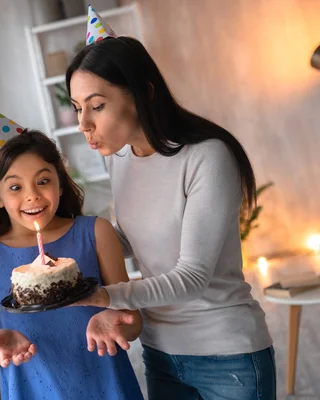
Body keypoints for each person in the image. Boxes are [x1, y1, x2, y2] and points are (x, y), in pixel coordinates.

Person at [66, 6, 276, 400]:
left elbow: (193, 277)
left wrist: (107, 295)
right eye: (78, 108)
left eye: (96, 106)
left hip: (227, 354)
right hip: (160, 351)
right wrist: (68, 254)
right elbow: (134, 238)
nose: (83, 124)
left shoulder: (206, 157)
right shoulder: (119, 157)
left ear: (143, 94)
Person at [0, 94, 144, 400]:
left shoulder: (96, 232)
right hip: (32, 388)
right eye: (16, 187)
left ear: (59, 182)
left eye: (43, 181)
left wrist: (118, 325)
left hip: (106, 385)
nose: (32, 196)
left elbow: (132, 320)